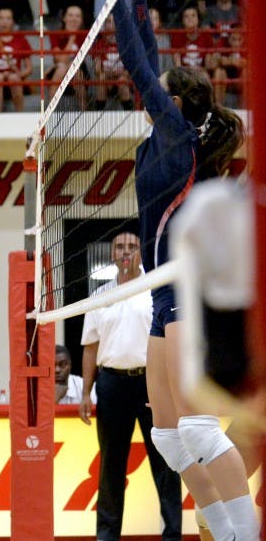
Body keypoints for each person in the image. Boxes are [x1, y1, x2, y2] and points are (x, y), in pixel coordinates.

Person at [101, 0, 255, 540]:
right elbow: (151, 58)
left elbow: (138, 65)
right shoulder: (171, 132)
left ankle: (246, 531)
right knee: (167, 437)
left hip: (185, 293)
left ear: (179, 103)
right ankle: (224, 530)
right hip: (163, 295)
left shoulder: (178, 137)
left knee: (196, 429)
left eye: (166, 90)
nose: (154, 91)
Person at [78, 230, 181, 540]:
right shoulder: (99, 296)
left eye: (132, 246)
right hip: (111, 385)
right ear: (112, 254)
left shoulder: (156, 289)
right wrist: (85, 392)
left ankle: (173, 534)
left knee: (165, 461)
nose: (126, 251)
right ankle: (107, 535)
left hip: (152, 382)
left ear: (141, 252)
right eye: (120, 247)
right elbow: (90, 347)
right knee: (111, 465)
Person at [0, 7, 32, 113]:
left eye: (8, 18)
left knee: (13, 77)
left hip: (15, 79)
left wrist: (18, 75)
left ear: (13, 21)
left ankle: (20, 115)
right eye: (1, 18)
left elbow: (29, 68)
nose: (4, 22)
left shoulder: (21, 39)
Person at [170, 6, 213, 72]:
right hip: (184, 74)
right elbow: (177, 65)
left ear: (198, 19)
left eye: (193, 15)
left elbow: (207, 66)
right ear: (183, 21)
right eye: (186, 16)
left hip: (201, 73)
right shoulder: (176, 38)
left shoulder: (206, 36)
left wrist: (199, 72)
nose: (190, 18)